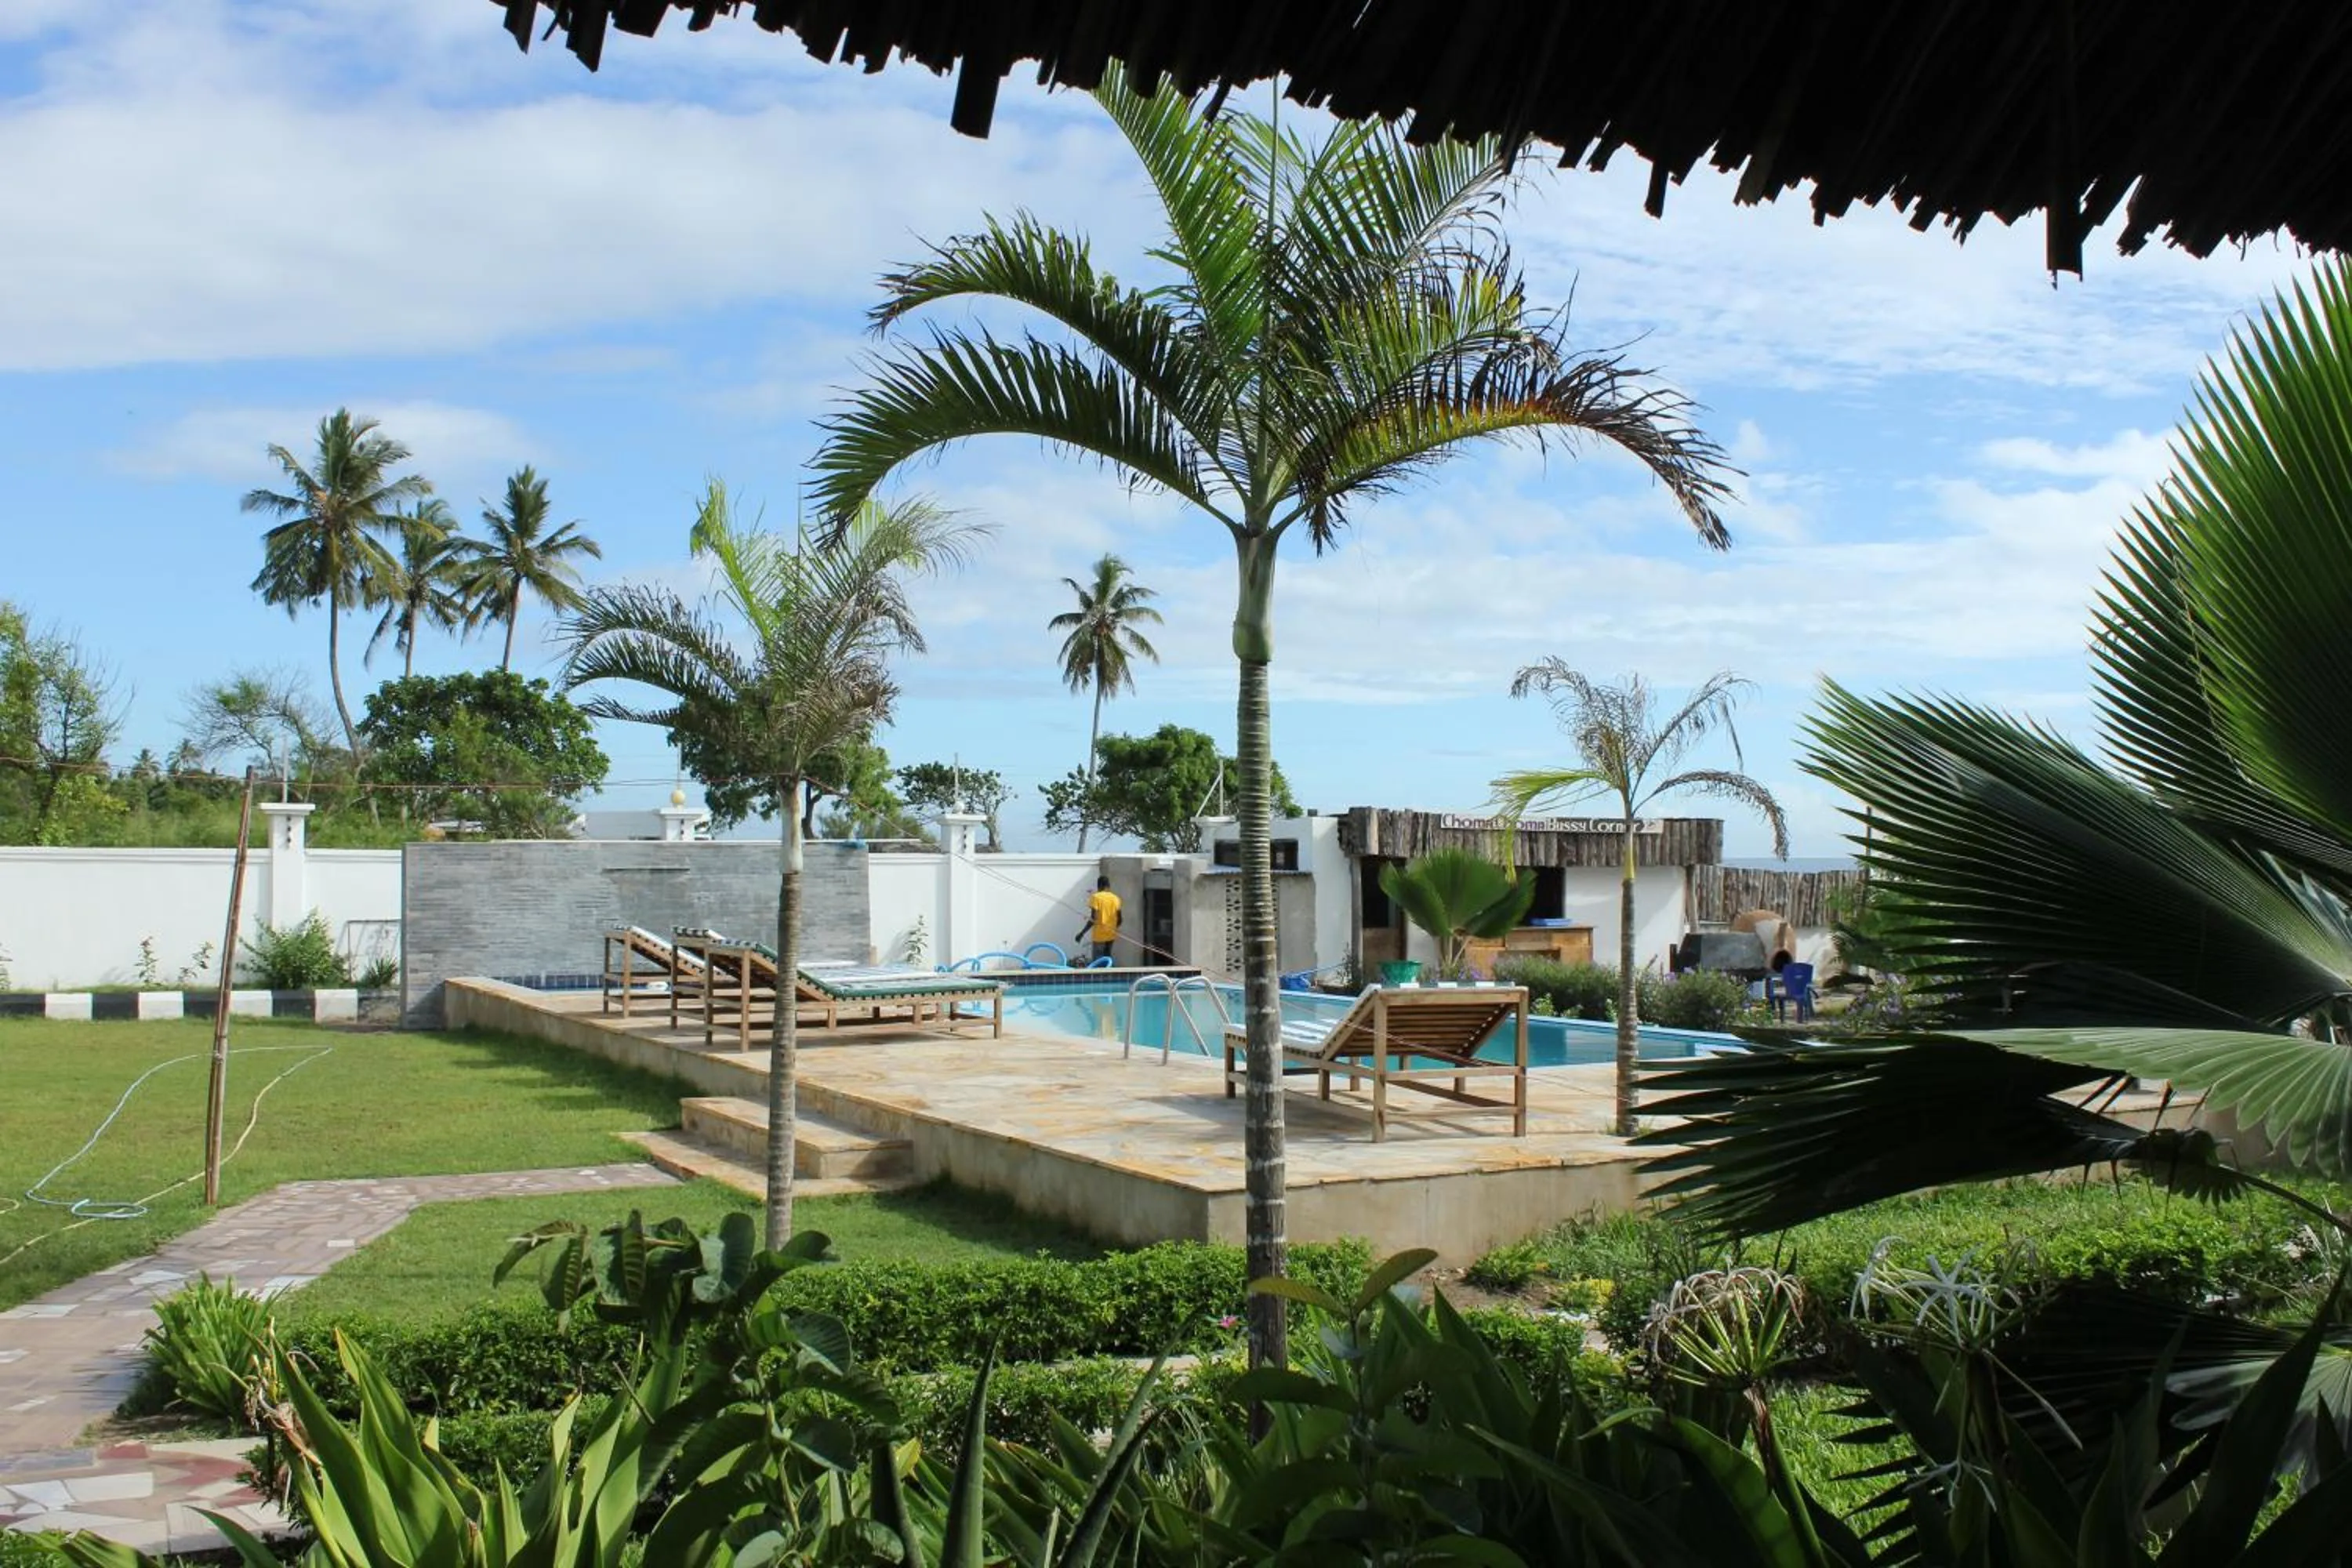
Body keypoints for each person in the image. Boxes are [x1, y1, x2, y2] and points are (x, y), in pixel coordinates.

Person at [1077, 876, 1122, 964]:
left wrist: (1082, 933)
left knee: (1097, 963)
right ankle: (1109, 977)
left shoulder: (1096, 897)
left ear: (1099, 885)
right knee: (1107, 960)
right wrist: (1113, 929)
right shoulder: (1116, 898)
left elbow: (1093, 918)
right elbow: (1120, 919)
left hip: (1099, 936)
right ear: (1108, 885)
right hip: (1111, 935)